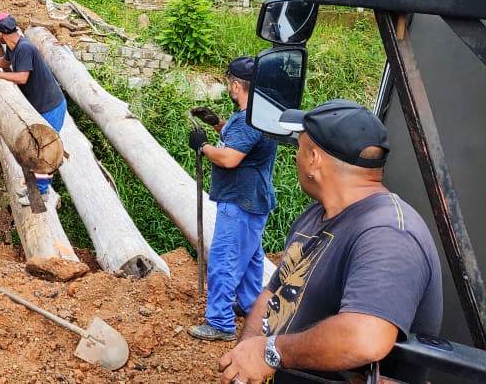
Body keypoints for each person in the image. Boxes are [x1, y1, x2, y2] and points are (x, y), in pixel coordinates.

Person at [219, 100, 442, 384]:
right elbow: (273, 293)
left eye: (299, 149)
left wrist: (270, 352)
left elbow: (365, 338)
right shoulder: (315, 216)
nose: (295, 158)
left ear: (314, 159)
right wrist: (246, 352)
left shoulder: (389, 233)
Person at [188, 56, 279, 342]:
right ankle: (250, 305)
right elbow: (239, 137)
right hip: (254, 199)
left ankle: (220, 322)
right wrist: (217, 124)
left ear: (237, 85)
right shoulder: (259, 115)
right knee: (252, 258)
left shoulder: (250, 119)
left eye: (230, 82)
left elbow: (229, 158)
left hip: (241, 201)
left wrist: (202, 146)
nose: (229, 87)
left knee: (224, 259)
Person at [0, 12, 67, 204]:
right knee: (35, 148)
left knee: (43, 151)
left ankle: (41, 193)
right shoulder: (15, 45)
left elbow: (23, 77)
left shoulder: (25, 48)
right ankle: (35, 186)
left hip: (51, 106)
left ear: (0, 34)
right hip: (40, 106)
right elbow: (6, 61)